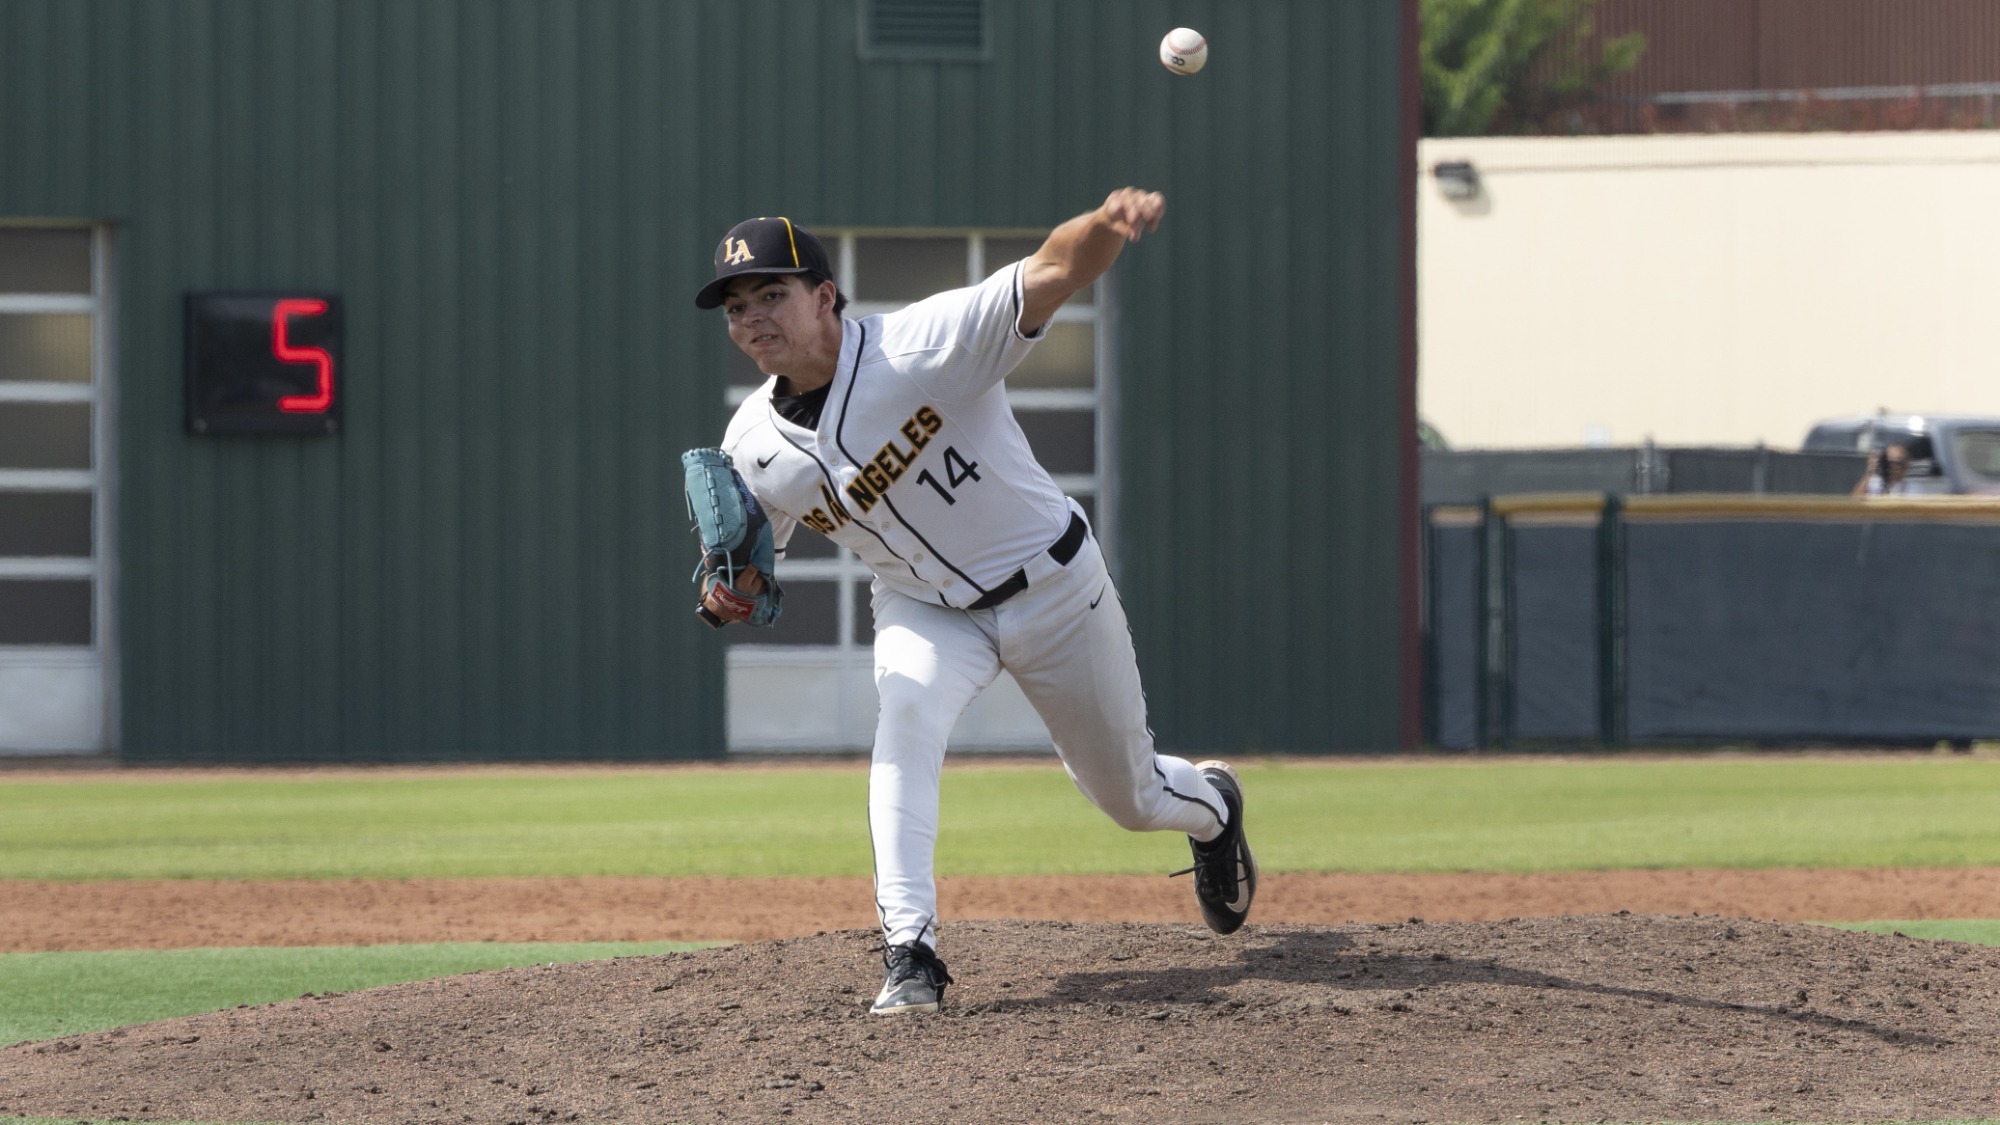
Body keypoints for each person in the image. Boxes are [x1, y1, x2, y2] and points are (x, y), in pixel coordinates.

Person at [689, 189, 1256, 1015]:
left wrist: (1105, 225)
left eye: (772, 293)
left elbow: (1056, 268)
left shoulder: (921, 345)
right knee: (904, 720)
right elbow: (751, 560)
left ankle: (1214, 808)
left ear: (824, 295)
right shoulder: (751, 444)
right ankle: (909, 951)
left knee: (1130, 799)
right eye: (737, 307)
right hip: (924, 607)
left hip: (1053, 585)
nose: (752, 317)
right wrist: (723, 592)